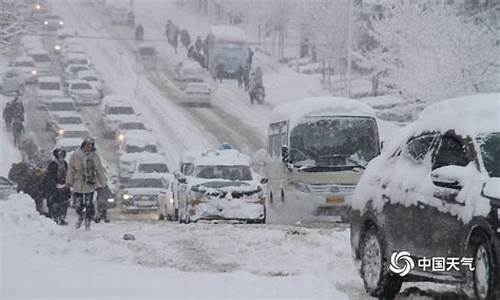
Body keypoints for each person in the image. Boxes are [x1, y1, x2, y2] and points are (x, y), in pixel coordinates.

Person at [66, 137, 107, 230]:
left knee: (89, 204)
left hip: (90, 183)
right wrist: (69, 181)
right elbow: (71, 170)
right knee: (78, 204)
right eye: (87, 146)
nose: (88, 148)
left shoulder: (94, 156)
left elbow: (99, 169)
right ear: (83, 145)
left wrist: (103, 183)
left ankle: (88, 220)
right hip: (78, 183)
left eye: (90, 146)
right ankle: (80, 216)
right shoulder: (75, 155)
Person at [45, 148, 71, 225]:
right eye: (60, 155)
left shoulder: (65, 163)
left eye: (62, 155)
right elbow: (50, 177)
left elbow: (68, 174)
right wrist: (54, 185)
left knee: (64, 203)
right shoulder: (52, 164)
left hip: (64, 187)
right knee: (55, 204)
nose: (61, 157)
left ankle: (62, 218)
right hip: (54, 188)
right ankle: (55, 218)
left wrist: (67, 183)